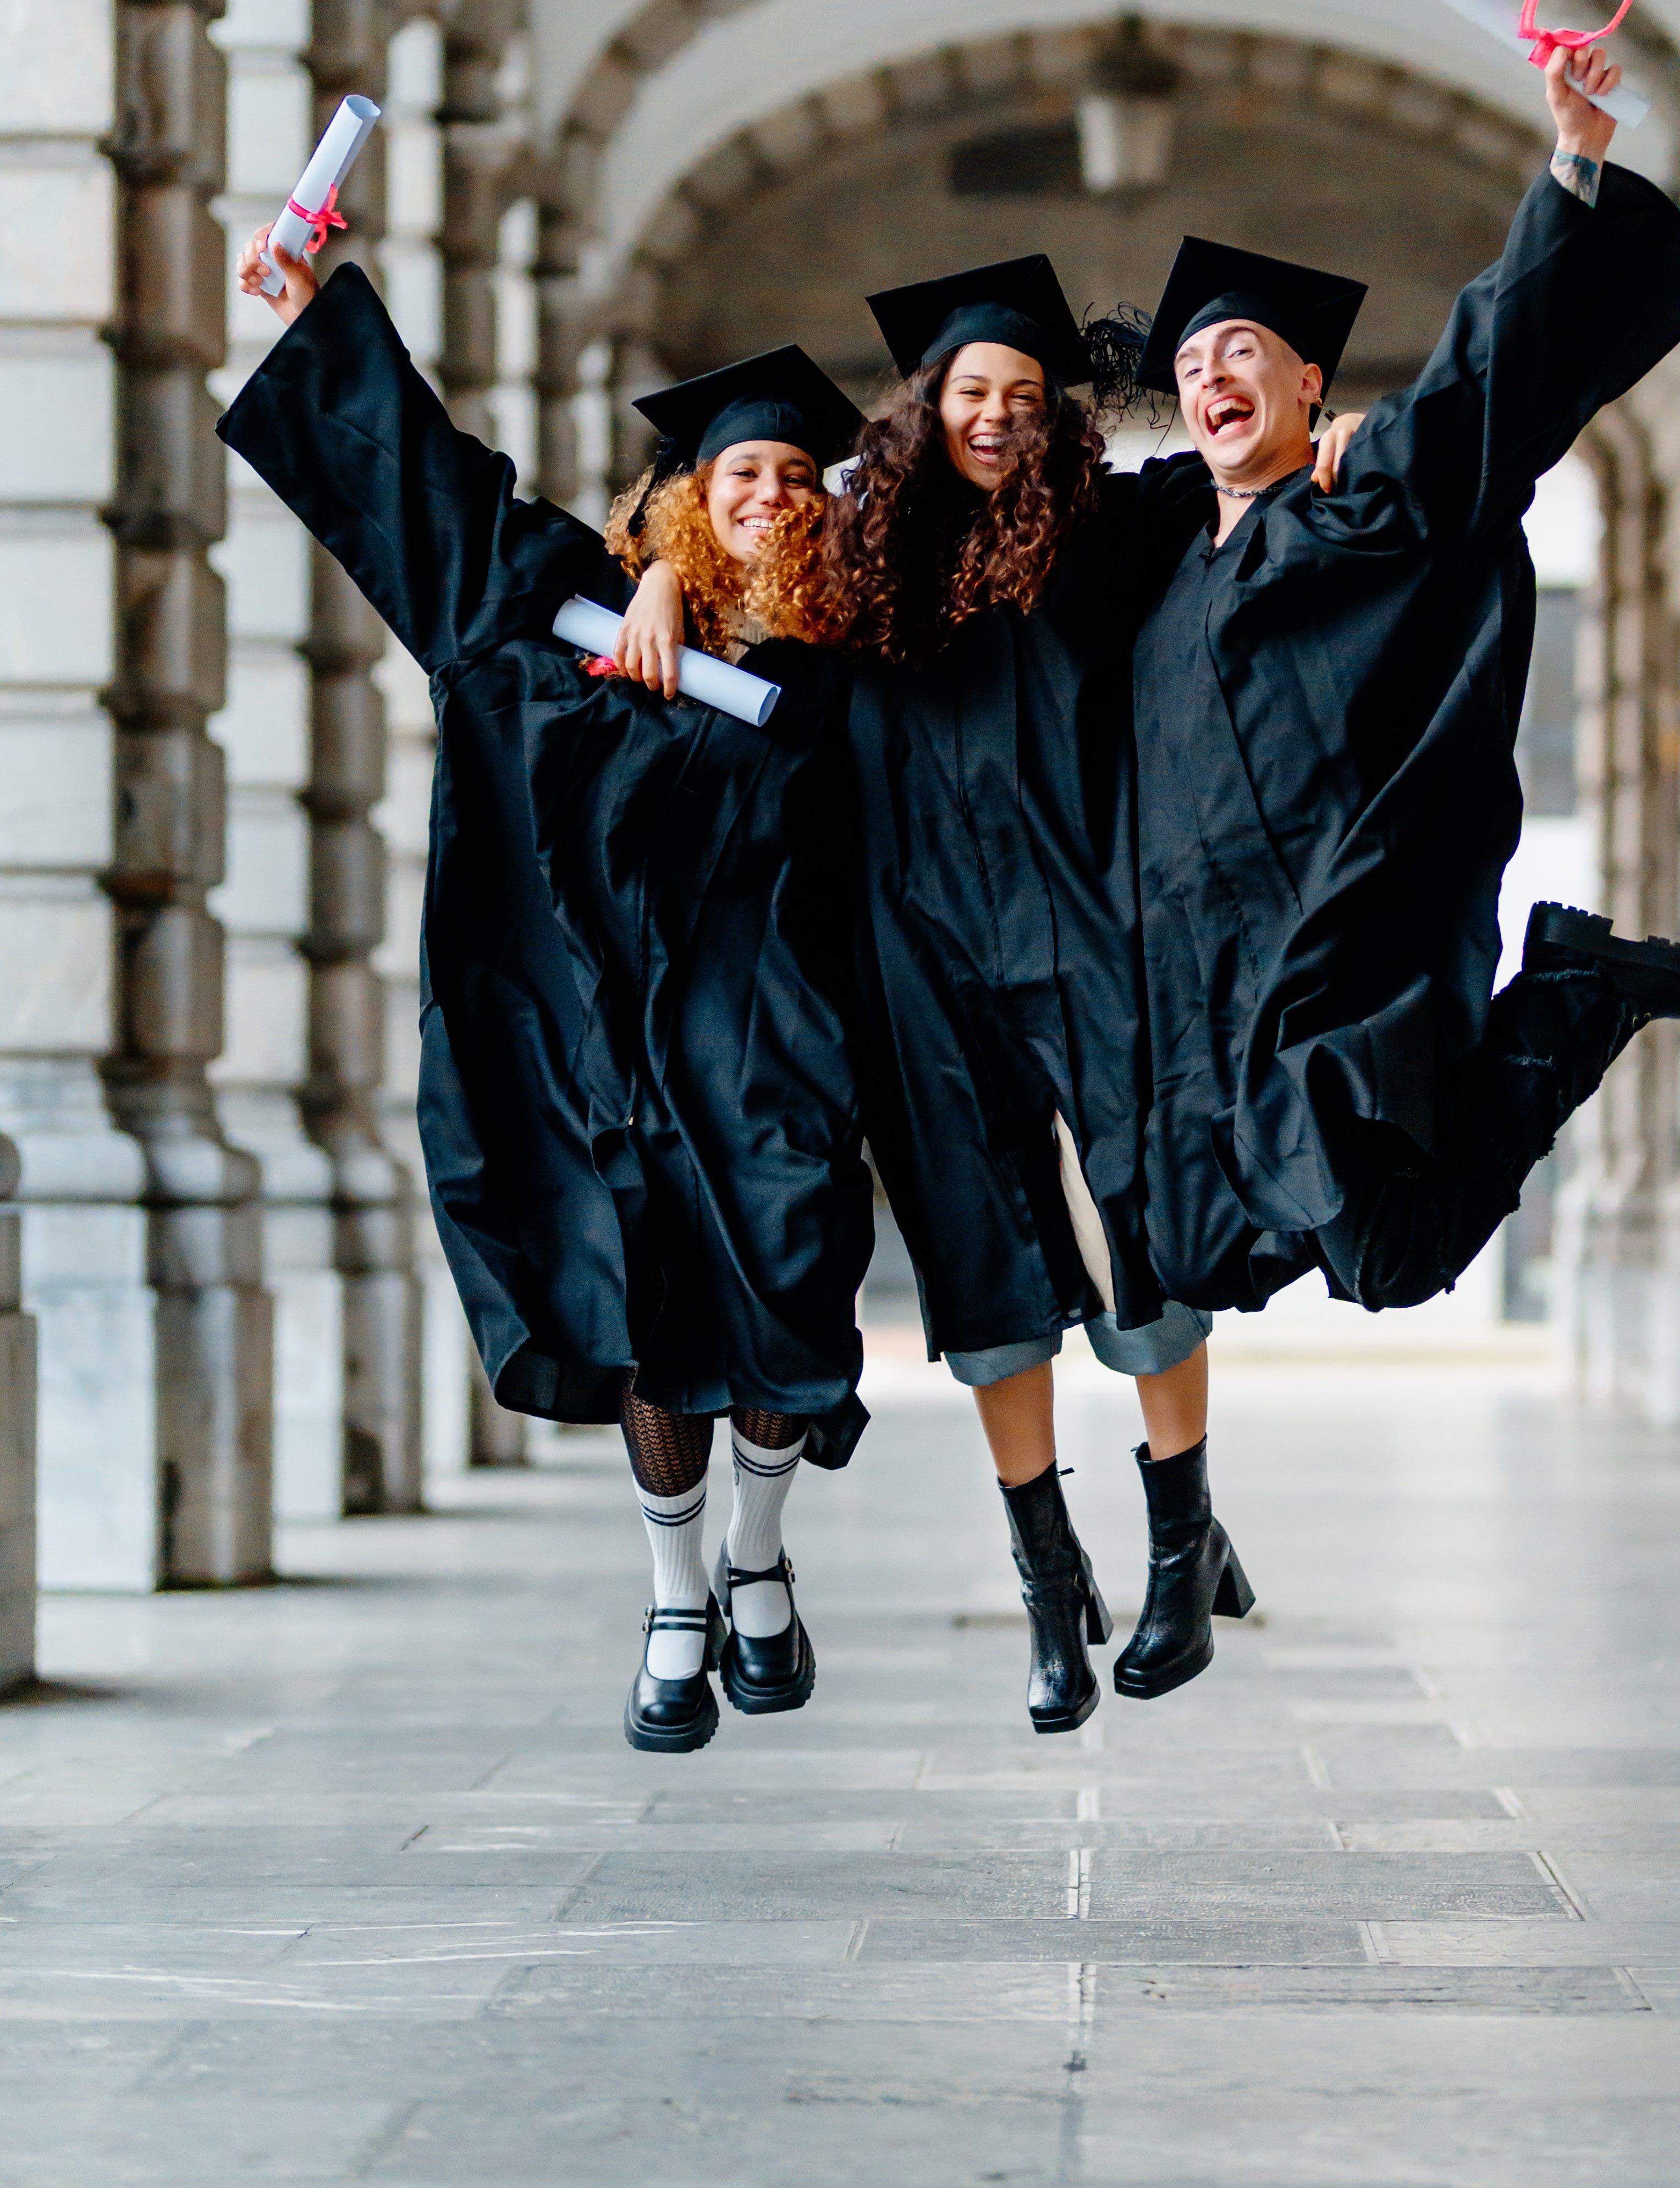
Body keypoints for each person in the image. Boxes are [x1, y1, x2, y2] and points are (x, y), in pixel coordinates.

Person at [616, 258, 1355, 1729]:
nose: (1000, 417)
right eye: (973, 393)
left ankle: (1174, 1551)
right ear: (927, 408)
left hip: (1086, 939)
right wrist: (651, 567)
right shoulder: (854, 552)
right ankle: (1046, 1582)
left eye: (1024, 397)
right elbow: (726, 545)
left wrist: (1334, 451)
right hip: (921, 966)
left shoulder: (1114, 526)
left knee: (1136, 1239)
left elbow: (1245, 481)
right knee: (982, 1274)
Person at [224, 229, 869, 1756]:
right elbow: (440, 506)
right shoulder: (581, 614)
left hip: (776, 1034)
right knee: (646, 1296)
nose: (770, 495)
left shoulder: (863, 656)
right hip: (613, 1036)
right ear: (690, 501)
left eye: (793, 477)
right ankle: (672, 1593)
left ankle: (759, 1556)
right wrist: (321, 314)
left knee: (785, 1281)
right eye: (740, 479)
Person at [1129, 43, 1680, 1319]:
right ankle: (1569, 995)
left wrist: (1569, 165)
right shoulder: (1162, 554)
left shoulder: (1366, 493)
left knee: (1388, 1260)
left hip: (1344, 944)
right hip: (1210, 981)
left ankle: (1571, 999)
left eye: (1242, 352)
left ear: (1308, 382)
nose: (1210, 378)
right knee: (1199, 1262)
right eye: (1189, 368)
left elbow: (1480, 380)